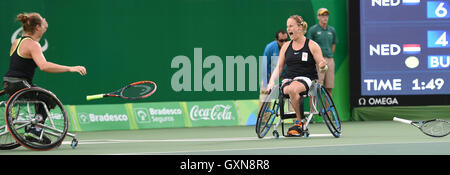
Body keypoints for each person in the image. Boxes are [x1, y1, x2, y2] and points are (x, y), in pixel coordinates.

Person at [3, 12, 87, 143]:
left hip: (8, 84)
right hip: (21, 84)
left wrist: (41, 21)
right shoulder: (33, 44)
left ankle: (33, 127)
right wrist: (70, 68)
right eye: (43, 22)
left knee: (40, 95)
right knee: (49, 98)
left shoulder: (17, 42)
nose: (45, 23)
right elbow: (44, 66)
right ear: (37, 27)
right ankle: (35, 129)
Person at [265, 15, 328, 136]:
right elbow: (279, 67)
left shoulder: (312, 45)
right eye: (287, 26)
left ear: (299, 27)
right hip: (289, 79)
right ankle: (299, 122)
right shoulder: (286, 46)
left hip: (306, 78)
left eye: (291, 26)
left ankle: (299, 122)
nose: (288, 29)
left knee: (293, 88)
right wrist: (271, 82)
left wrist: (323, 66)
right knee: (288, 89)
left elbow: (322, 65)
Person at [306, 8, 337, 96]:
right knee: (315, 88)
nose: (325, 17)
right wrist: (317, 59)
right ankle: (313, 110)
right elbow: (309, 46)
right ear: (318, 17)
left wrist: (329, 56)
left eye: (326, 15)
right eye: (322, 15)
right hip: (317, 61)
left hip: (330, 60)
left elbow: (333, 44)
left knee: (329, 87)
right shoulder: (313, 30)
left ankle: (328, 110)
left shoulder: (332, 30)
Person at [260, 30, 288, 108]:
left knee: (293, 92)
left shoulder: (290, 47)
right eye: (281, 41)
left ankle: (296, 119)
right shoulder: (270, 48)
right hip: (271, 73)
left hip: (286, 74)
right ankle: (262, 119)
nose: (284, 43)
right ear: (276, 40)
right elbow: (264, 65)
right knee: (264, 93)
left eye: (286, 40)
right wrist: (266, 84)